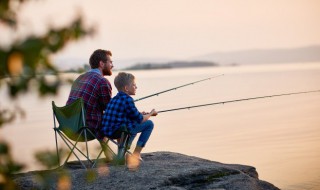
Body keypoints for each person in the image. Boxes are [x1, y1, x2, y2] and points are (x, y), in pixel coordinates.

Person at [101, 72, 157, 170]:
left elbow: (127, 113)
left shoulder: (114, 99)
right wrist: (151, 114)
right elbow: (140, 119)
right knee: (149, 124)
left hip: (108, 132)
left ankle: (122, 154)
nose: (136, 87)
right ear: (126, 88)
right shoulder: (128, 100)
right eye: (134, 85)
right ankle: (136, 155)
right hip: (119, 131)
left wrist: (140, 113)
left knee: (131, 124)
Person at [66, 49, 113, 160]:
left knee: (98, 117)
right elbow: (109, 109)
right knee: (115, 118)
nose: (112, 65)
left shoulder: (79, 78)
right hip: (86, 129)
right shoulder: (102, 81)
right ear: (101, 63)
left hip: (69, 126)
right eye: (110, 62)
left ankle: (109, 155)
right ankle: (117, 156)